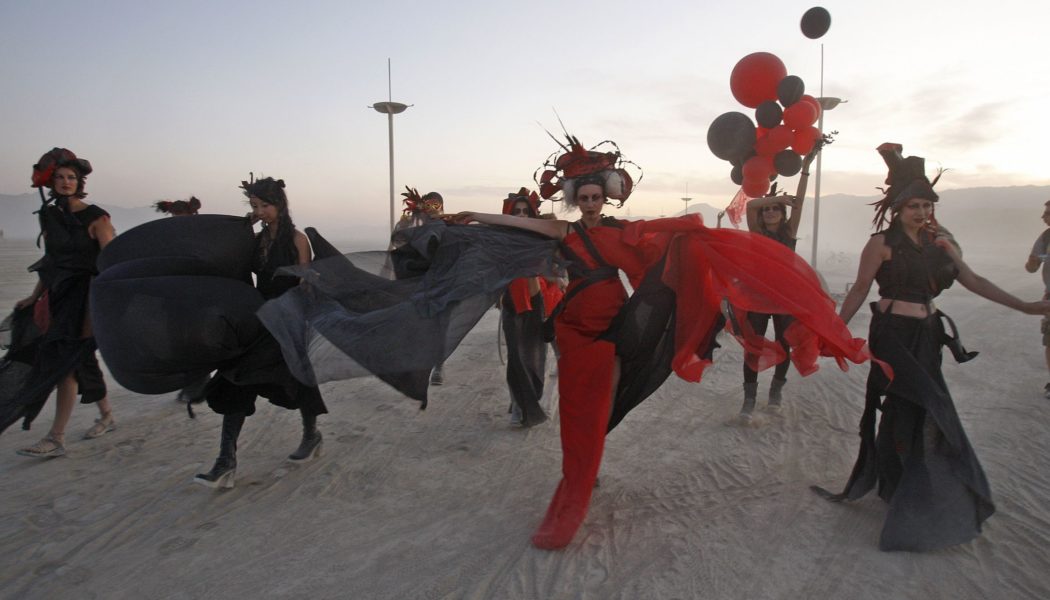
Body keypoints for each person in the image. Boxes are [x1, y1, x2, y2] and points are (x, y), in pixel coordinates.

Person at [455, 135, 870, 549]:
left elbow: (655, 259)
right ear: (574, 199)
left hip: (617, 322)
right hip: (575, 325)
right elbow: (522, 223)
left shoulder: (625, 231)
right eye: (583, 197)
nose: (590, 203)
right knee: (581, 401)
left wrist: (682, 269)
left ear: (607, 196)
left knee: (605, 397)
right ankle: (582, 465)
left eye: (596, 196)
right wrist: (476, 214)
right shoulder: (565, 230)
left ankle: (587, 461)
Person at [821, 143, 1050, 551]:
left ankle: (902, 487)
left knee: (915, 411)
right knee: (914, 404)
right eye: (914, 206)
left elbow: (976, 281)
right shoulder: (881, 244)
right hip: (892, 336)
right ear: (898, 208)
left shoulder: (942, 245)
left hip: (927, 338)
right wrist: (834, 332)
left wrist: (1026, 306)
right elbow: (858, 290)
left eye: (927, 205)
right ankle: (905, 490)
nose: (922, 212)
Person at [193, 177, 327, 488]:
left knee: (299, 382)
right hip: (258, 319)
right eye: (255, 206)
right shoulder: (256, 240)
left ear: (280, 205)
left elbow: (306, 283)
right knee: (234, 378)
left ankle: (312, 435)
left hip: (288, 319)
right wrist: (244, 227)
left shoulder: (296, 239)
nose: (260, 211)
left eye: (264, 205)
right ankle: (226, 461)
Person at [7, 148, 117, 457]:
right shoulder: (49, 215)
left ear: (80, 182)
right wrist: (34, 295)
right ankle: (107, 415)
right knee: (79, 359)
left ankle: (56, 437)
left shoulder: (96, 216)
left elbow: (111, 261)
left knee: (64, 366)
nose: (66, 182)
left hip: (86, 297)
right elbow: (51, 260)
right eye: (60, 177)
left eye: (72, 178)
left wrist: (110, 303)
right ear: (51, 182)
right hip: (58, 294)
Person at [737, 151, 818, 417]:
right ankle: (749, 400)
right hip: (757, 297)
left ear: (783, 215)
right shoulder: (756, 234)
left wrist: (805, 168)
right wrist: (778, 197)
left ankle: (775, 392)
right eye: (768, 209)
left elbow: (801, 201)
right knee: (754, 346)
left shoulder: (789, 232)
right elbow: (750, 206)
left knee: (784, 344)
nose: (770, 211)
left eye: (776, 209)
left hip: (785, 299)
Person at [499, 188, 562, 426]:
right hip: (512, 303)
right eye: (517, 211)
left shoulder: (539, 238)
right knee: (515, 358)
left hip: (536, 303)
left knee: (534, 358)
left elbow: (554, 266)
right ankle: (518, 406)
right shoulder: (501, 239)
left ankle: (529, 401)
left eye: (526, 211)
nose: (522, 215)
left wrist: (557, 277)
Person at [391, 188, 449, 385]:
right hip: (417, 280)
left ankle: (438, 367)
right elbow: (397, 242)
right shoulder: (413, 226)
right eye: (428, 205)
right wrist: (402, 225)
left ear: (442, 207)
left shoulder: (448, 225)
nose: (432, 209)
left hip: (441, 282)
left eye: (436, 205)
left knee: (439, 325)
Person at [1024, 199, 1050, 398]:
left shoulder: (1046, 237)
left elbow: (1032, 268)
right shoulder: (1046, 237)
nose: (1043, 217)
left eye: (1047, 213)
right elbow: (1032, 267)